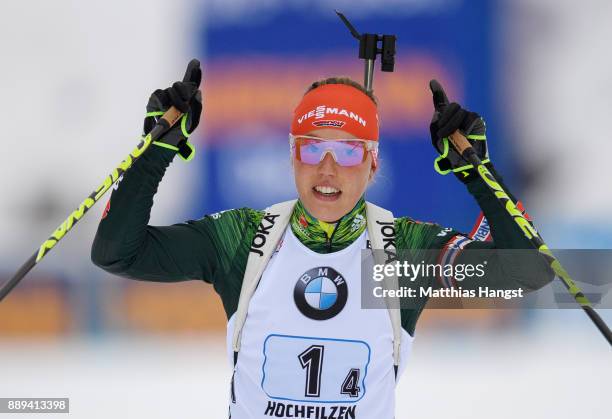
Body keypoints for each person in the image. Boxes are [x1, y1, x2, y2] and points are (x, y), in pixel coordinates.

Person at [91, 60, 553, 419]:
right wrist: (156, 149)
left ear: (373, 165)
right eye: (312, 147)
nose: (327, 168)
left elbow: (526, 272)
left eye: (349, 151)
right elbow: (117, 254)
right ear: (292, 158)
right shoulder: (246, 239)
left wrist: (477, 170)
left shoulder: (396, 254)